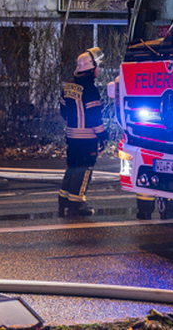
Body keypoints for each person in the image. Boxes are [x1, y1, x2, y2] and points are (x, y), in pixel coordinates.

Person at [58, 46, 107, 217]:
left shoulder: (68, 85)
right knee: (85, 170)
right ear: (90, 68)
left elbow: (63, 111)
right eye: (97, 66)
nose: (99, 70)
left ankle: (63, 200)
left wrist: (72, 126)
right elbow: (94, 117)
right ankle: (76, 205)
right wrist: (102, 135)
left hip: (72, 137)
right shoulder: (91, 89)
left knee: (72, 168)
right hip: (87, 139)